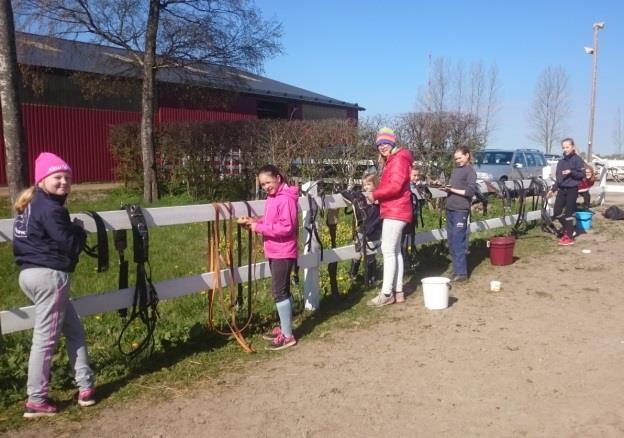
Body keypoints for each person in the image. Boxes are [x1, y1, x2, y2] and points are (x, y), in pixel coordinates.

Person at [12, 152, 96, 418]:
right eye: (57, 177)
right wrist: (79, 230)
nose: (63, 182)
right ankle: (36, 399)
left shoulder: (31, 205)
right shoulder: (51, 209)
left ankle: (86, 387)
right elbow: (70, 244)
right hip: (50, 276)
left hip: (30, 273)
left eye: (67, 178)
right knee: (45, 340)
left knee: (74, 329)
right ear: (42, 180)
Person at [238, 165, 298, 351]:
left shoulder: (285, 200)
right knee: (283, 290)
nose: (265, 186)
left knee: (279, 291)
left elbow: (286, 227)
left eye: (268, 182)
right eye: (263, 184)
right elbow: (272, 221)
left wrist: (258, 228)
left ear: (278, 178)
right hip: (275, 250)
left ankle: (288, 336)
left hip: (283, 250)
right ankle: (285, 327)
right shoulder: (273, 198)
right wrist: (256, 222)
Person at [365, 127, 413, 306]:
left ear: (392, 142)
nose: (382, 146)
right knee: (395, 251)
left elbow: (395, 186)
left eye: (385, 142)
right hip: (397, 209)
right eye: (379, 144)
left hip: (395, 210)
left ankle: (386, 294)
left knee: (387, 250)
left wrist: (375, 195)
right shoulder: (394, 160)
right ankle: (398, 291)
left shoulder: (398, 160)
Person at [441, 146, 478, 282]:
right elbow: (453, 188)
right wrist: (445, 188)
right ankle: (456, 270)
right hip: (450, 208)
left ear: (467, 155)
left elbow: (469, 192)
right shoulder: (456, 171)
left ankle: (461, 273)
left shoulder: (470, 172)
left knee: (458, 241)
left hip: (460, 210)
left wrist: (452, 190)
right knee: (451, 241)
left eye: (460, 158)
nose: (458, 161)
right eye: (456, 159)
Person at [548, 137, 586, 245]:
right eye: (563, 147)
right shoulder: (561, 162)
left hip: (572, 190)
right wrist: (553, 190)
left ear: (572, 147)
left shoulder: (577, 160)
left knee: (569, 213)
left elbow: (582, 175)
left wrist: (571, 172)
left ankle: (569, 237)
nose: (565, 149)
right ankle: (569, 229)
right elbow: (559, 179)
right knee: (557, 212)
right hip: (561, 190)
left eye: (567, 147)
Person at [347, 172, 381, 285]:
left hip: (375, 229)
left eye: (369, 184)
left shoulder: (379, 197)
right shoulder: (361, 197)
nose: (366, 187)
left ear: (375, 184)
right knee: (358, 252)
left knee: (371, 254)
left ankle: (370, 277)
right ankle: (353, 274)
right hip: (362, 229)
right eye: (364, 185)